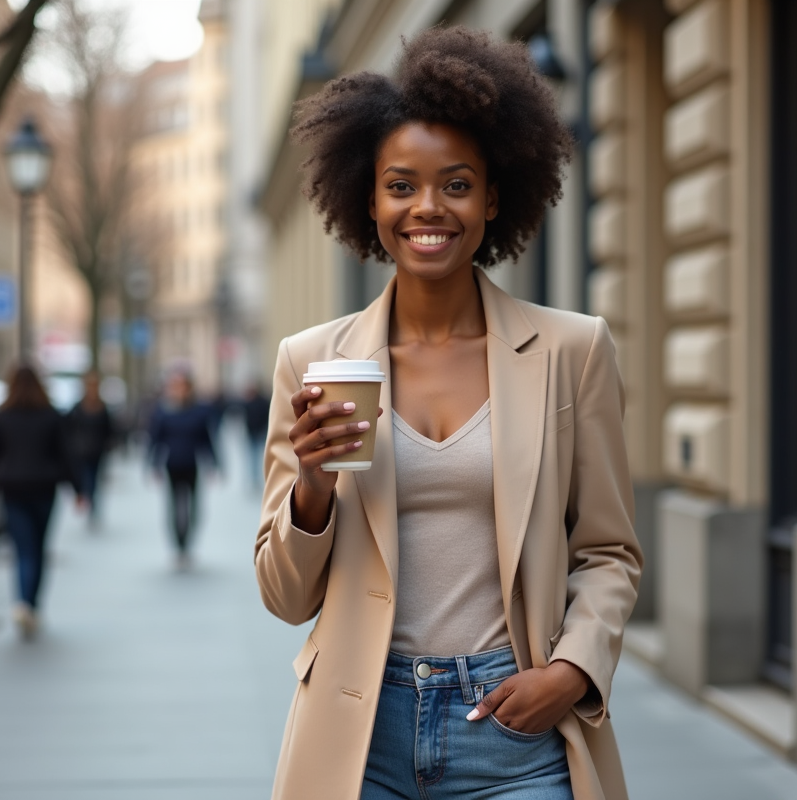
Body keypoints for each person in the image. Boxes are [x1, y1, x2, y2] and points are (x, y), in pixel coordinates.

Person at [255, 28, 642, 800]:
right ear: (369, 199)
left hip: (516, 731)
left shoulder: (571, 351)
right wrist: (313, 489)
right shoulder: (313, 362)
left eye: (456, 184)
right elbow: (284, 596)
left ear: (492, 197)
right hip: (360, 734)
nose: (427, 207)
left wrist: (570, 671)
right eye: (401, 185)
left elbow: (609, 553)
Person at [0, 364, 82, 639]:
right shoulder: (51, 416)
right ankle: (31, 605)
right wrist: (79, 490)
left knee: (23, 550)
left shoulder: (3, 417)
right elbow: (65, 454)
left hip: (12, 489)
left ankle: (23, 603)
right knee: (38, 548)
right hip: (44, 488)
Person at [148, 369, 217, 568]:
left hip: (191, 464)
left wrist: (214, 463)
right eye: (175, 386)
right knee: (173, 507)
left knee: (193, 508)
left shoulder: (199, 411)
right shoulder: (163, 411)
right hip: (172, 465)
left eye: (182, 386)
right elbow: (155, 439)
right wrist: (153, 464)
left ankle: (188, 543)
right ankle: (178, 545)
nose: (179, 390)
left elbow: (206, 439)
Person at [64, 370, 115, 527]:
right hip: (81, 452)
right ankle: (87, 502)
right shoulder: (77, 408)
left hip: (97, 452)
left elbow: (109, 430)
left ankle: (92, 506)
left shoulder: (102, 408)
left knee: (94, 480)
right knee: (86, 479)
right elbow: (68, 429)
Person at [240, 383, 270, 491]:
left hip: (260, 432)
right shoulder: (248, 402)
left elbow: (266, 417)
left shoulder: (262, 402)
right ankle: (254, 479)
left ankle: (261, 478)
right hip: (252, 433)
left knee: (260, 457)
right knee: (253, 457)